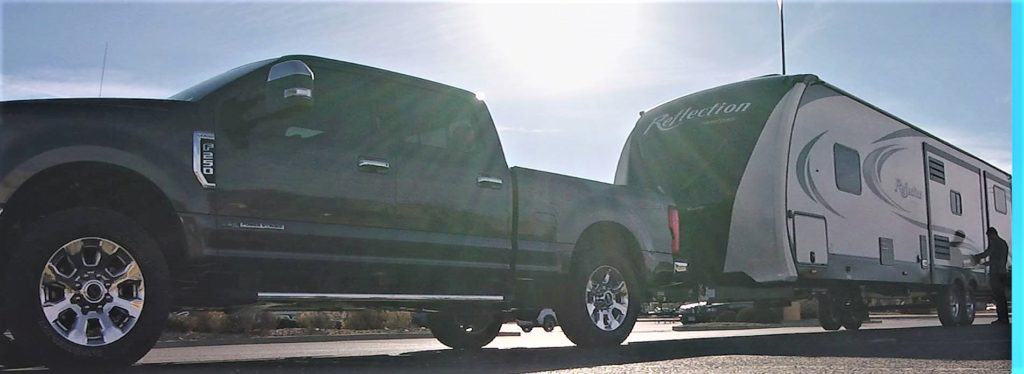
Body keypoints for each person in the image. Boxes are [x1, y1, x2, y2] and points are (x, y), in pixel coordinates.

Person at [974, 227, 1010, 325]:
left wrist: (977, 257)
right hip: (1002, 272)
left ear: (992, 234)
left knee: (999, 297)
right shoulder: (1003, 243)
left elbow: (988, 254)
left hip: (996, 273)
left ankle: (1002, 319)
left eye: (989, 236)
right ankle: (1004, 319)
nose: (989, 239)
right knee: (1001, 297)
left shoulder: (996, 243)